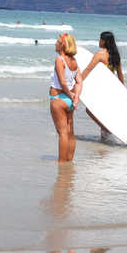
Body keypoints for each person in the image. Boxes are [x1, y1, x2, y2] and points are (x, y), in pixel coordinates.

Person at [49, 32, 80, 162]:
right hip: (69, 101)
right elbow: (79, 81)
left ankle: (62, 163)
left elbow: (62, 82)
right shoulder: (74, 61)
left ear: (62, 45)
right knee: (70, 132)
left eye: (57, 42)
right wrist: (75, 97)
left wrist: (70, 94)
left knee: (62, 133)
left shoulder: (59, 60)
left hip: (58, 99)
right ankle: (69, 161)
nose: (55, 44)